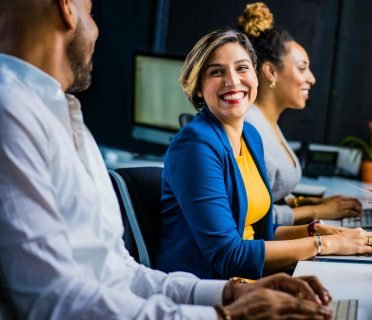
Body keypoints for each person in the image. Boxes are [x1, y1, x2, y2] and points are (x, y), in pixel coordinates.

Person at [0, 1, 334, 319]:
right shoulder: (11, 112)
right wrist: (223, 314)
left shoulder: (63, 116)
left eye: (241, 68)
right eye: (91, 11)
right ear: (67, 7)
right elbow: (53, 303)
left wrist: (228, 296)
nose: (98, 29)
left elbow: (121, 273)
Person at [157, 28, 372, 280]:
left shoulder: (251, 136)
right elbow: (228, 255)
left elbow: (261, 234)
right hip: (205, 286)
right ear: (199, 88)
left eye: (242, 68)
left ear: (256, 76)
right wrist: (326, 245)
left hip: (247, 278)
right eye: (217, 72)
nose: (233, 81)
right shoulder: (195, 146)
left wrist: (323, 233)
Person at [239, 2, 364, 226]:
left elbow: (272, 197)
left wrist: (311, 202)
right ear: (270, 71)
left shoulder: (268, 122)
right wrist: (318, 211)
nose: (312, 78)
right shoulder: (250, 128)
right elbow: (252, 218)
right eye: (302, 67)